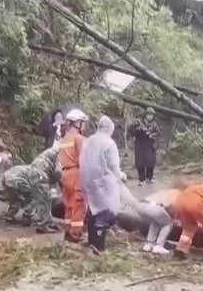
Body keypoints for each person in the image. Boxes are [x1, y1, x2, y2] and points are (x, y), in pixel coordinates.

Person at [79, 116, 125, 252]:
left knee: (93, 210)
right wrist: (120, 176)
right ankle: (98, 248)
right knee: (104, 212)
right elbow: (113, 165)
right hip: (103, 181)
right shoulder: (109, 143)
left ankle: (92, 242)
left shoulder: (88, 140)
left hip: (87, 179)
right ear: (110, 129)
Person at [0, 145, 60, 232]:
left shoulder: (33, 164)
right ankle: (30, 217)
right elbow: (58, 172)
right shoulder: (59, 154)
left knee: (16, 199)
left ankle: (9, 216)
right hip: (20, 178)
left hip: (7, 178)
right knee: (34, 196)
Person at [58, 108, 89, 243]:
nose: (84, 125)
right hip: (77, 173)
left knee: (68, 204)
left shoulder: (64, 139)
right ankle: (76, 234)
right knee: (78, 205)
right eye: (82, 122)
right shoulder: (80, 139)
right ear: (77, 123)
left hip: (65, 174)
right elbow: (85, 159)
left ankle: (68, 230)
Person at [136, 188, 180, 255]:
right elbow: (173, 208)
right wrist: (176, 219)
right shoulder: (177, 193)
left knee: (155, 221)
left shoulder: (166, 191)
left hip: (141, 205)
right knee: (169, 223)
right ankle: (159, 246)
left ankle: (149, 244)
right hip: (154, 207)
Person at [129, 107, 160, 185]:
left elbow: (158, 133)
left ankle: (149, 177)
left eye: (151, 115)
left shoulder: (154, 124)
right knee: (140, 162)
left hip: (150, 145)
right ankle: (141, 179)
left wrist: (151, 135)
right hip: (140, 145)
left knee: (150, 162)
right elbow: (131, 132)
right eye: (149, 115)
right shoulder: (139, 122)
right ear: (145, 115)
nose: (150, 117)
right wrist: (137, 129)